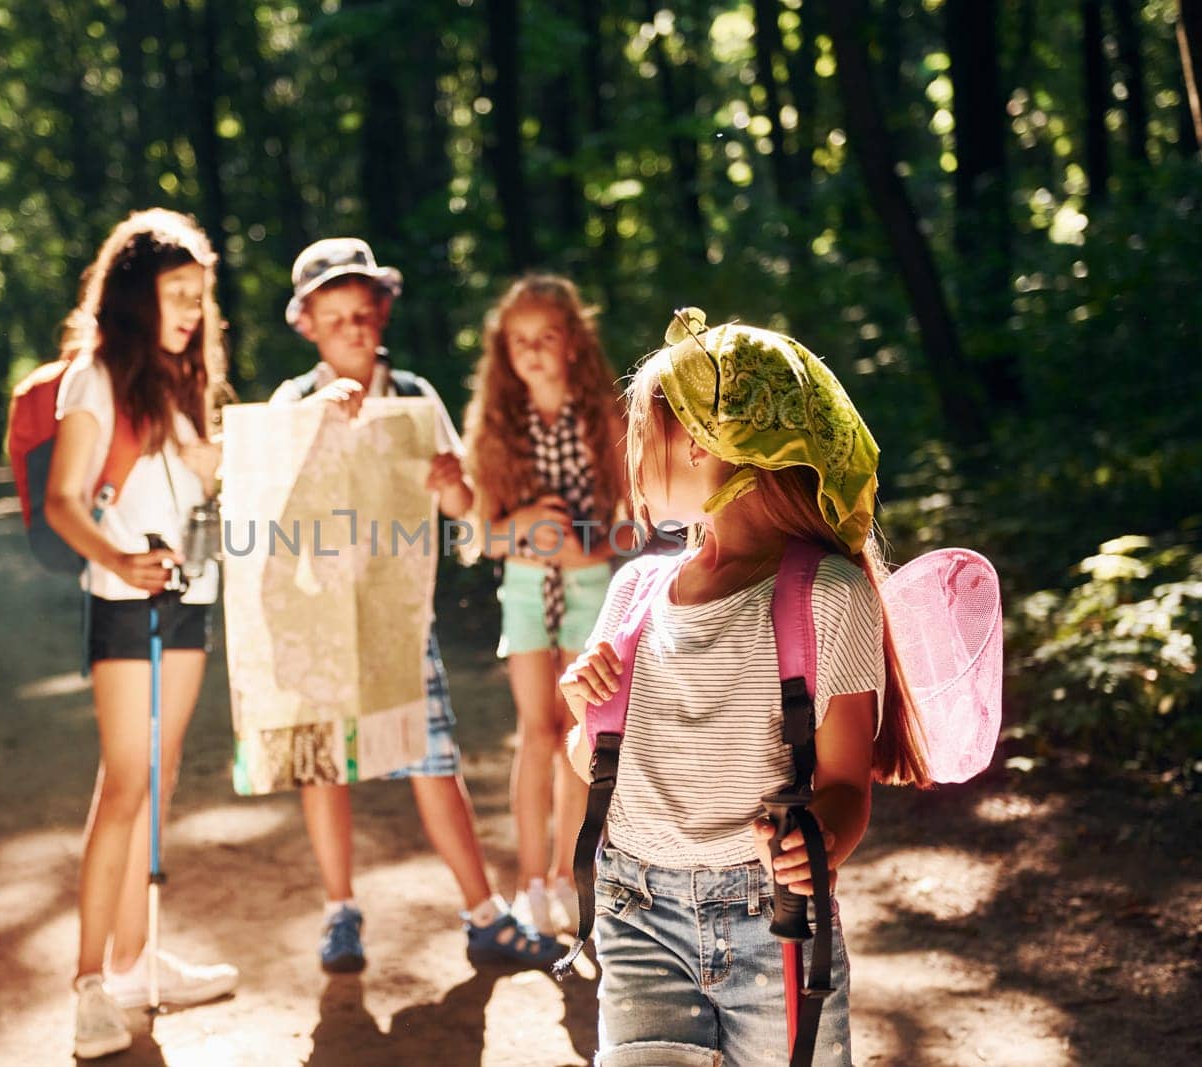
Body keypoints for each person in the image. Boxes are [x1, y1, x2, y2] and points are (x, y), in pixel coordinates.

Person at [559, 312, 932, 1066]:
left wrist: (817, 844)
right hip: (635, 916)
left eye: (644, 434)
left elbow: (845, 788)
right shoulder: (636, 592)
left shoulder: (827, 597)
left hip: (776, 924)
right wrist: (583, 715)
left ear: (702, 439)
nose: (629, 457)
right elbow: (594, 765)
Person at [268, 237, 565, 973]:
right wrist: (317, 438)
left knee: (433, 760)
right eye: (332, 314)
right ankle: (340, 911)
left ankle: (484, 915)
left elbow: (467, 513)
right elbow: (269, 511)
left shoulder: (415, 397)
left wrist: (450, 486)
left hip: (400, 615)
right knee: (323, 767)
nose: (351, 326)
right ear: (306, 323)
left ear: (381, 310)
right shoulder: (291, 405)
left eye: (361, 311)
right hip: (319, 617)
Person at [44, 209, 239, 1060]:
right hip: (124, 600)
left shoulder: (185, 381)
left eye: (201, 295)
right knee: (123, 785)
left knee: (156, 783)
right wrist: (121, 562)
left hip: (189, 598)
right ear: (136, 294)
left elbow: (214, 481)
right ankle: (90, 983)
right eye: (178, 293)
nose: (194, 310)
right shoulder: (95, 378)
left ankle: (133, 961)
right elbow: (62, 500)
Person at [461, 275, 627, 937]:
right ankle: (531, 884)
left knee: (577, 735)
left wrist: (594, 551)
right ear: (504, 351)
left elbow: (639, 521)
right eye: (518, 341)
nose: (531, 352)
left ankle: (568, 876)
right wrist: (525, 520)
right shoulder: (496, 427)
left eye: (546, 338)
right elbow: (477, 537)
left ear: (574, 345)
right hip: (528, 589)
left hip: (589, 588)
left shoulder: (605, 419)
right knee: (534, 732)